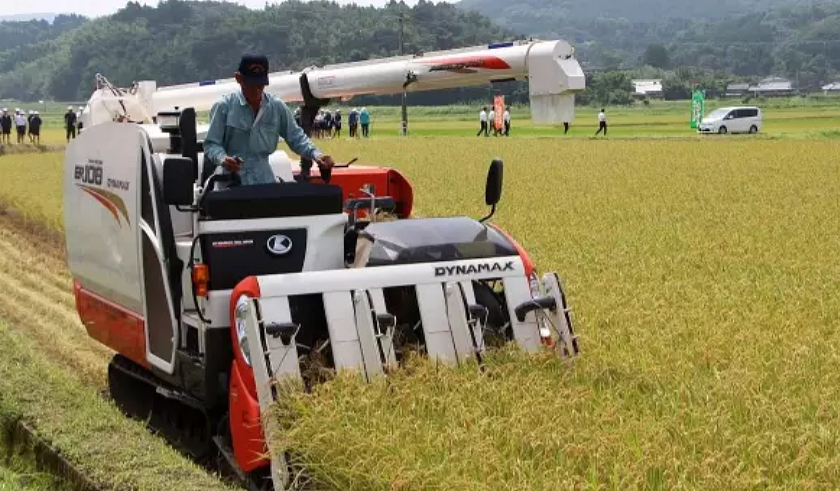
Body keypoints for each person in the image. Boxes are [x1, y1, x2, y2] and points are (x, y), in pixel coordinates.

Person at [203, 53, 334, 186]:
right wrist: (223, 159)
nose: (256, 91)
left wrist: (316, 155)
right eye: (251, 85)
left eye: (260, 85)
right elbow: (211, 144)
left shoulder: (276, 107)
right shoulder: (224, 107)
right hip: (230, 184)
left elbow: (296, 137)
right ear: (238, 78)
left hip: (264, 183)